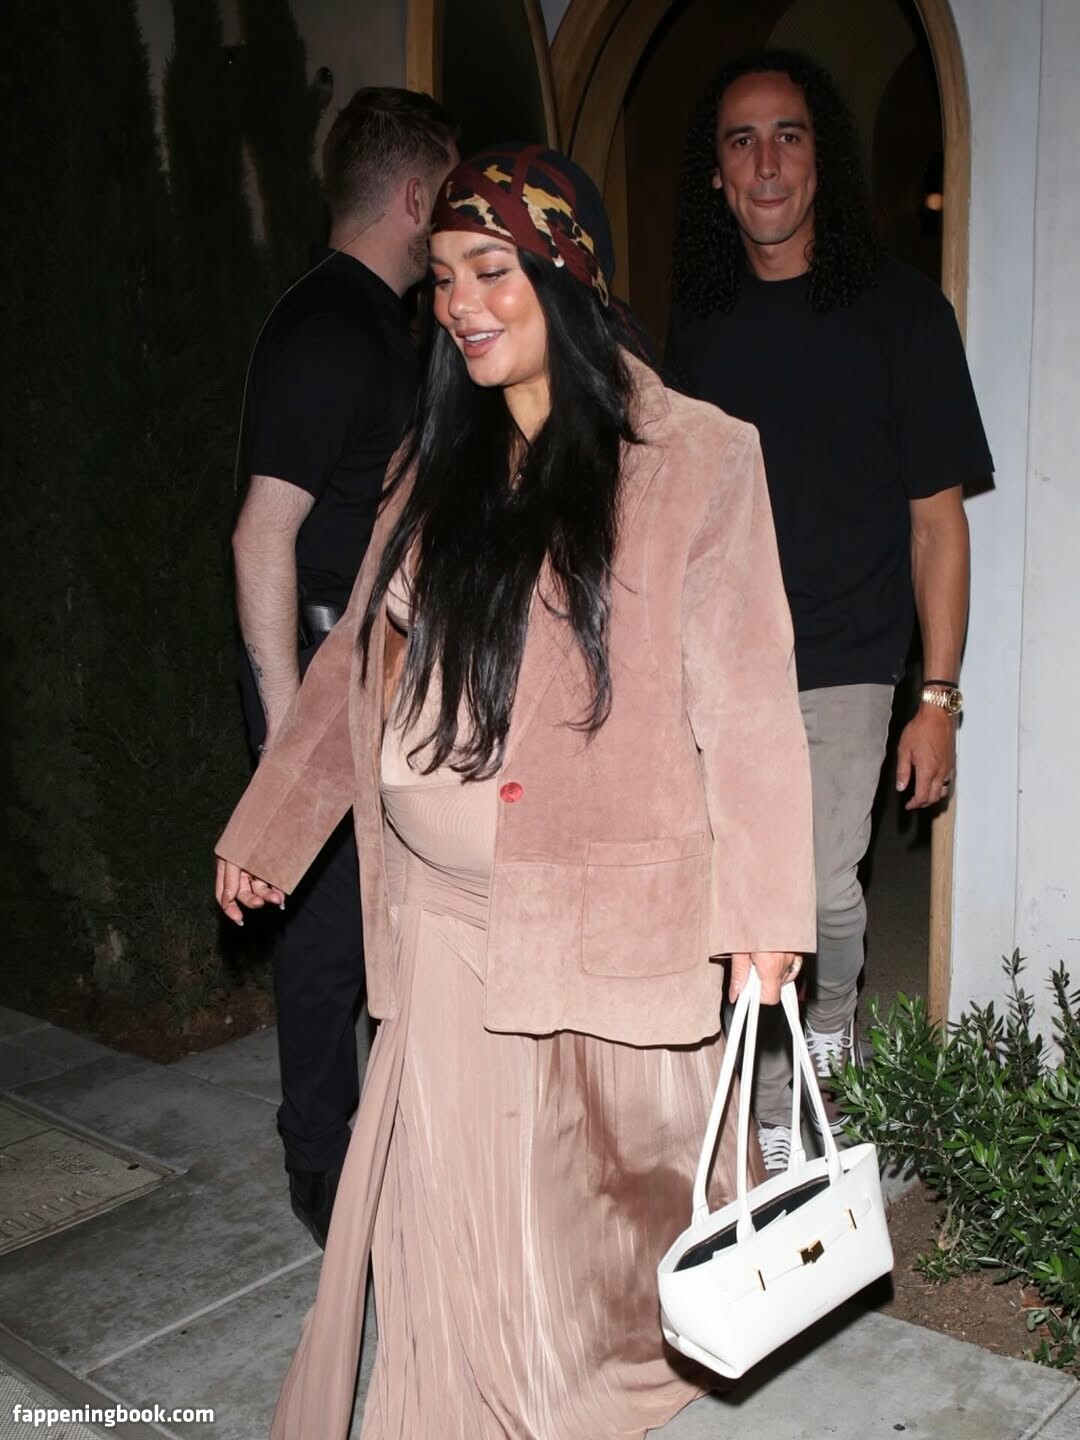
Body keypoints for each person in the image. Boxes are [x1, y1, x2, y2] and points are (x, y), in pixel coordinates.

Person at [215, 143, 814, 1440]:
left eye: (491, 270)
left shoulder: (695, 458)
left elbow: (751, 706)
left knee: (598, 1243)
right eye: (442, 278)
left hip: (592, 914)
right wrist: (275, 823)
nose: (461, 305)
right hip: (438, 926)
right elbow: (352, 665)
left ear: (566, 272)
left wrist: (766, 917)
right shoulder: (430, 458)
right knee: (450, 1238)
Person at [667, 50, 993, 1169]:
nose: (766, 162)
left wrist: (937, 698)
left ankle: (832, 1027)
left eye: (789, 135)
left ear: (823, 159)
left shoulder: (901, 313)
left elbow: (938, 523)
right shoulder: (699, 326)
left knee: (817, 895)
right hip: (718, 659)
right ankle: (771, 1104)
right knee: (739, 897)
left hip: (848, 656)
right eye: (741, 140)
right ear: (717, 174)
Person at [232, 87, 457, 1246]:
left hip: (369, 665)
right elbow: (260, 533)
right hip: (320, 672)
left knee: (381, 928)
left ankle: (377, 1148)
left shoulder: (370, 321)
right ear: (415, 197)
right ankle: (323, 1172)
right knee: (325, 944)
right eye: (448, 195)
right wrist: (288, 738)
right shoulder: (334, 328)